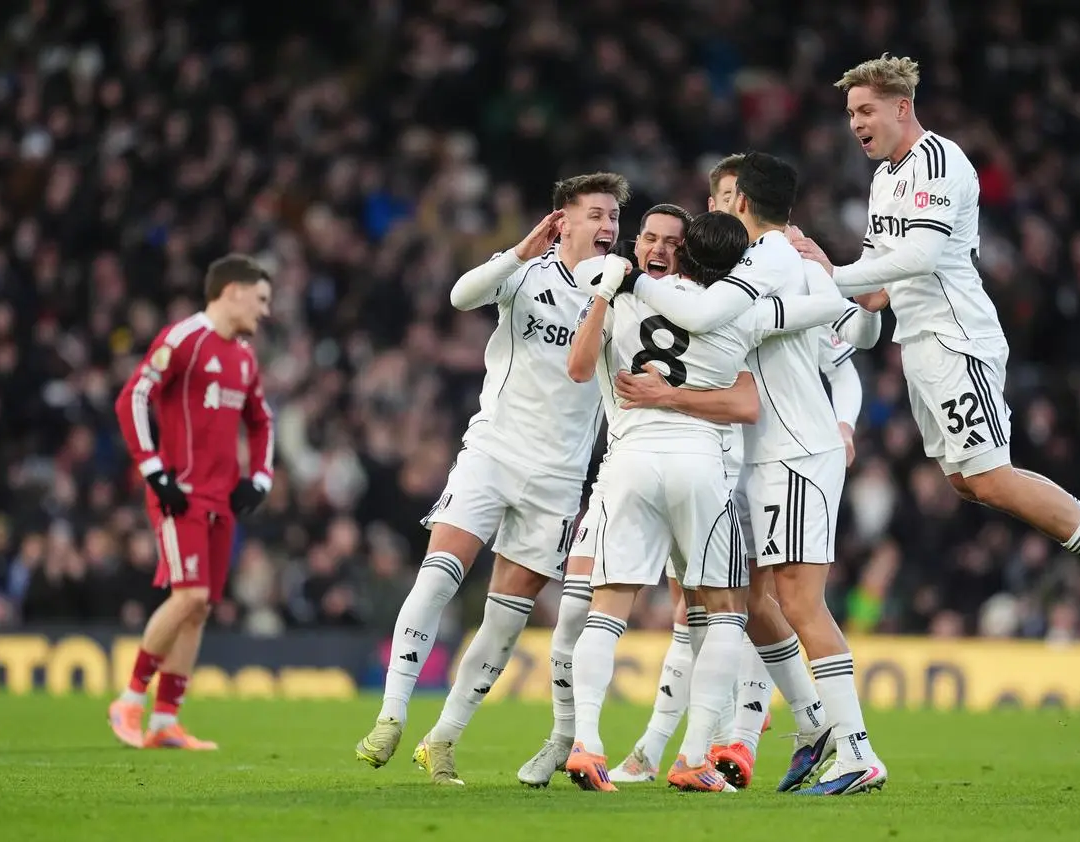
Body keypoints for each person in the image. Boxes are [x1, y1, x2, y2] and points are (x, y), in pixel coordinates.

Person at [790, 54, 1080, 647]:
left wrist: (832, 273)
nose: (855, 124)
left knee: (989, 476)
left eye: (865, 110)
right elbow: (881, 283)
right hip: (920, 344)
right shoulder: (885, 178)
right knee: (967, 482)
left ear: (901, 107)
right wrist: (837, 309)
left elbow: (922, 257)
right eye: (849, 114)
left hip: (956, 337)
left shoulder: (939, 160)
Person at [562, 211, 859, 792]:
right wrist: (818, 269)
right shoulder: (737, 311)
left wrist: (608, 277)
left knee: (608, 609)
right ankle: (697, 753)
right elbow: (820, 323)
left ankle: (586, 743)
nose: (655, 249)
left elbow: (578, 347)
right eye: (647, 238)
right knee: (726, 611)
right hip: (701, 467)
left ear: (682, 252)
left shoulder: (618, 293)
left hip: (630, 462)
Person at [622, 151, 888, 795]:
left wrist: (626, 282)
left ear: (739, 198)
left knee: (796, 601)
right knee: (747, 601)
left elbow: (716, 319)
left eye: (717, 199)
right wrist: (833, 297)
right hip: (764, 453)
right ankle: (811, 721)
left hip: (791, 450)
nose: (710, 211)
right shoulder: (783, 259)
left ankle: (856, 754)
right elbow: (852, 324)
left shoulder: (771, 257)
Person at [354, 174, 627, 782]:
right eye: (596, 214)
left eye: (613, 216)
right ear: (564, 219)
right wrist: (519, 252)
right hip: (493, 452)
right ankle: (392, 714)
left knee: (505, 620)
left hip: (559, 477)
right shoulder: (526, 274)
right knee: (437, 578)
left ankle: (443, 737)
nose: (609, 226)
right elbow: (458, 297)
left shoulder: (620, 290)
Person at [108, 254, 275, 750]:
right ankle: (129, 699)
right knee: (190, 597)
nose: (265, 311)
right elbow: (132, 398)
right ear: (233, 291)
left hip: (221, 499)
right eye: (261, 299)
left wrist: (260, 478)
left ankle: (165, 721)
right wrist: (154, 471)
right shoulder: (184, 339)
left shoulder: (244, 356)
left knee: (199, 609)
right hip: (179, 494)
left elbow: (262, 420)